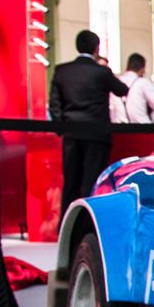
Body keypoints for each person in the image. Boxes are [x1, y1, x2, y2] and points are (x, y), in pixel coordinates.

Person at [49, 29, 131, 207]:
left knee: (70, 184)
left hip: (71, 134)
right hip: (97, 134)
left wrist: (61, 128)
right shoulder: (101, 73)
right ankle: (88, 226)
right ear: (96, 48)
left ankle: (66, 226)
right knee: (91, 183)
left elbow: (54, 104)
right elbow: (122, 90)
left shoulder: (62, 71)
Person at [118, 51, 154, 125]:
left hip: (119, 127)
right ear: (142, 68)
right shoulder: (142, 82)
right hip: (141, 127)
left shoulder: (117, 81)